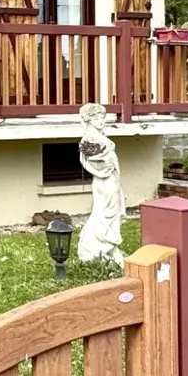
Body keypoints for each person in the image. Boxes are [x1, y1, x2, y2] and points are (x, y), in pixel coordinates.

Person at [77, 103, 124, 264]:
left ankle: (111, 247)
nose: (101, 121)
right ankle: (100, 247)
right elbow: (96, 163)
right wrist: (107, 161)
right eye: (96, 118)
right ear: (89, 120)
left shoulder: (98, 136)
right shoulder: (89, 140)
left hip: (111, 179)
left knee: (111, 212)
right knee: (104, 214)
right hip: (105, 182)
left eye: (102, 117)